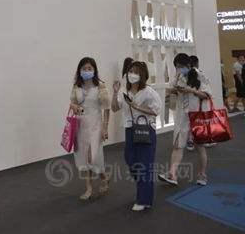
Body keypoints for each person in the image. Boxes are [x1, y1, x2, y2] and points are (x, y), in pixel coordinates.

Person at [112, 61, 162, 211]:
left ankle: (144, 200)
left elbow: (156, 110)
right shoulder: (124, 91)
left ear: (142, 75)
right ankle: (143, 187)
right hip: (130, 130)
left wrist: (137, 107)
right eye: (130, 71)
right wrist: (115, 92)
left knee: (144, 165)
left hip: (146, 130)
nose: (132, 74)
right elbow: (114, 108)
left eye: (136, 72)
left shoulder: (148, 92)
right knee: (130, 159)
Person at [158, 53, 211, 186]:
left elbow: (207, 95)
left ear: (188, 65)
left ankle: (202, 174)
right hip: (182, 115)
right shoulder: (179, 76)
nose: (179, 69)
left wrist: (191, 90)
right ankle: (172, 174)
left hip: (196, 116)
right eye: (177, 66)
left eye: (181, 66)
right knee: (178, 145)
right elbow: (170, 90)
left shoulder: (199, 75)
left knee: (199, 147)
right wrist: (177, 85)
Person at [69, 57, 110, 200]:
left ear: (94, 70)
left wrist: (105, 128)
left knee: (93, 157)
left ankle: (103, 177)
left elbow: (106, 108)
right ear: (79, 70)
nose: (87, 71)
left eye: (89, 68)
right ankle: (89, 187)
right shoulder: (77, 86)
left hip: (95, 126)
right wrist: (74, 107)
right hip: (80, 126)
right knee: (84, 158)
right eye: (84, 68)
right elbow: (72, 103)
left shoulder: (100, 86)